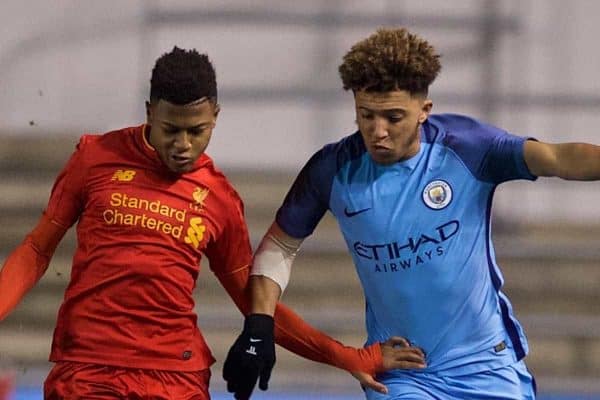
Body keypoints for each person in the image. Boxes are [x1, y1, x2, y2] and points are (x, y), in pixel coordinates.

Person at [0, 47, 427, 399]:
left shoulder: (219, 199)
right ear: (150, 112)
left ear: (216, 117)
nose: (183, 145)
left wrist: (347, 356)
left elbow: (254, 301)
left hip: (174, 378)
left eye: (197, 131)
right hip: (87, 371)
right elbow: (38, 249)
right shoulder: (94, 159)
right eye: (170, 129)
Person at [223, 27, 600, 399]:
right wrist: (259, 324)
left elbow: (557, 158)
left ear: (424, 110)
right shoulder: (332, 169)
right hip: (403, 373)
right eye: (366, 115)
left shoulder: (468, 149)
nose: (378, 131)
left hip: (487, 363)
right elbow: (280, 247)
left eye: (393, 117)